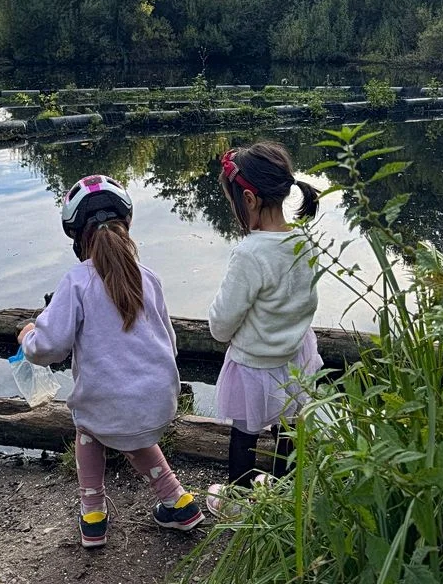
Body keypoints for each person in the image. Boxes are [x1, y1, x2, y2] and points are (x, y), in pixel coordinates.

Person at [17, 175, 204, 548]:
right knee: (129, 427)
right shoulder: (148, 277)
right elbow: (171, 340)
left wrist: (26, 338)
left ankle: (93, 516)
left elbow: (49, 347)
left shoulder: (76, 282)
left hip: (111, 408)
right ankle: (179, 503)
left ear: (76, 235)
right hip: (158, 402)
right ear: (127, 224)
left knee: (89, 427)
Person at [206, 142, 323, 516]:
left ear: (250, 199)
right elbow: (307, 301)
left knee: (245, 431)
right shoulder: (304, 242)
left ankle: (238, 501)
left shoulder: (250, 254)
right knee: (288, 426)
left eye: (234, 203)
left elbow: (222, 324)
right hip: (295, 356)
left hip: (255, 363)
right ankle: (287, 494)